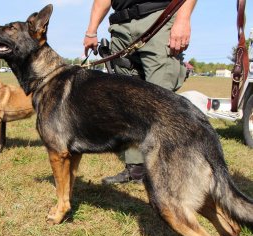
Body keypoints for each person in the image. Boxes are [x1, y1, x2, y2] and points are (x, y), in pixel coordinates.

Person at [84, 0, 197, 184]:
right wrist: (91, 30)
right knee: (127, 104)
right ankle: (136, 169)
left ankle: (168, 173)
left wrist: (183, 19)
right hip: (121, 26)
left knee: (161, 104)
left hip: (159, 17)